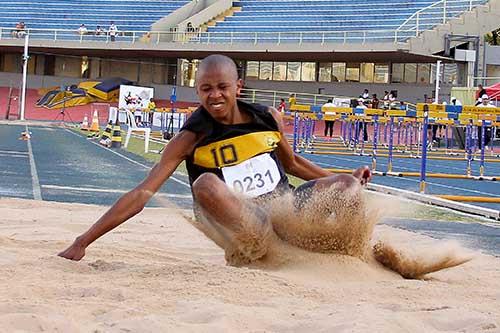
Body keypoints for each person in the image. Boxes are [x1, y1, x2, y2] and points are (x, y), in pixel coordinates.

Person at [58, 54, 371, 266]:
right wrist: (83, 241)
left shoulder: (266, 118)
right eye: (206, 89)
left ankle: (353, 256)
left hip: (284, 209)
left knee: (346, 185)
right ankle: (266, 251)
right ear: (198, 91)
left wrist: (344, 178)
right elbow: (143, 192)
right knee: (205, 183)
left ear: (238, 87)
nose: (215, 95)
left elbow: (294, 165)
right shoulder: (191, 136)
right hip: (244, 221)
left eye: (223, 87)